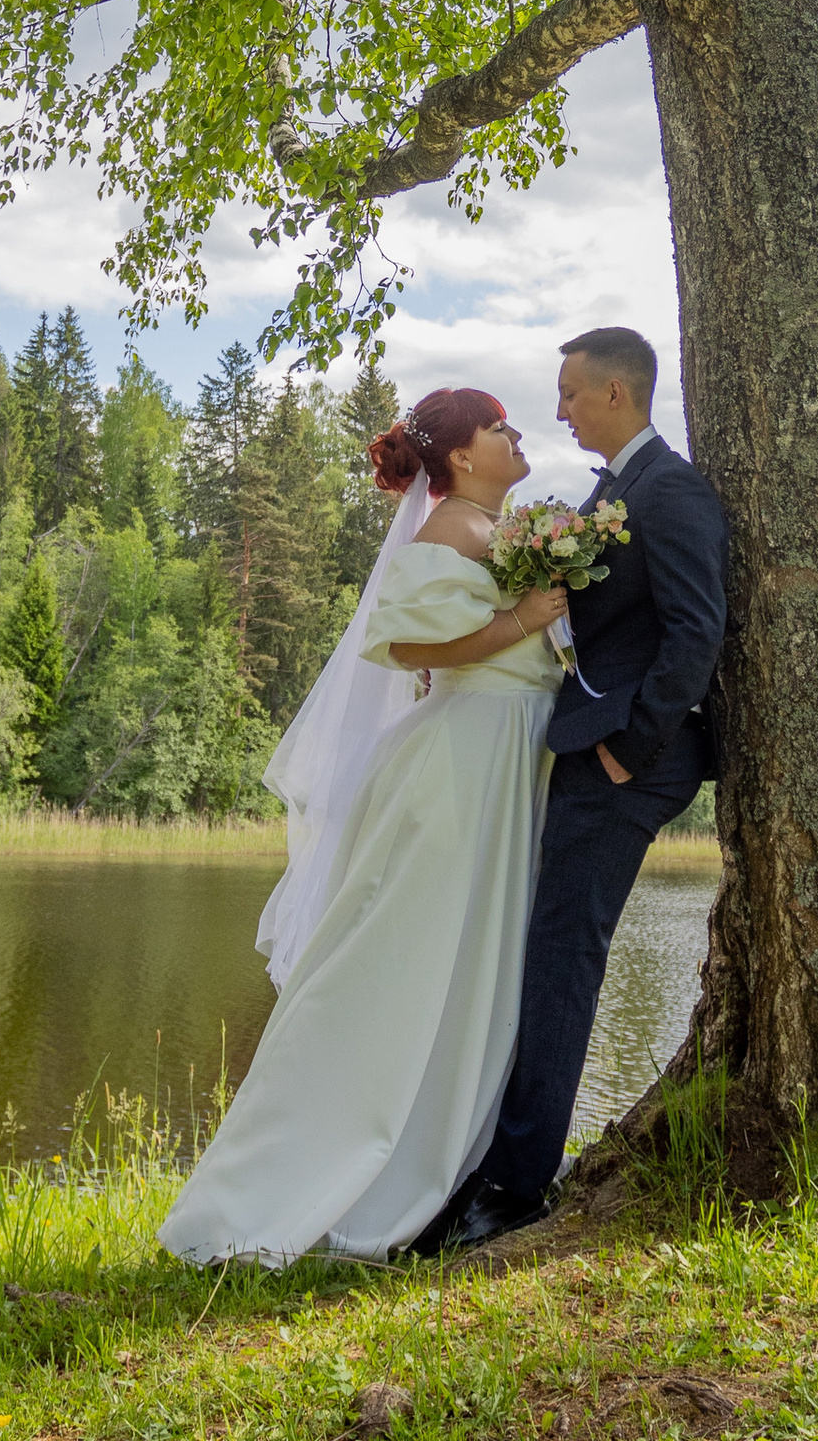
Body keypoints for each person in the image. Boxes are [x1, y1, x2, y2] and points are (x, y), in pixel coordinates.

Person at [157, 386, 567, 1264]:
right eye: (498, 425)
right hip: (460, 768)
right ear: (460, 456)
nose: (516, 432)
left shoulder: (497, 532)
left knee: (469, 972)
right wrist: (522, 620)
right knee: (401, 965)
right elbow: (409, 646)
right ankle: (301, 1177)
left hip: (504, 764)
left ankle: (451, 1157)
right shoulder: (448, 531)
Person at [419, 324, 728, 1253]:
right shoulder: (614, 491)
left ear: (616, 396)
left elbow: (695, 631)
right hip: (586, 748)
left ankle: (515, 1189)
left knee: (561, 956)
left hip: (628, 763)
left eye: (568, 392)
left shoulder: (669, 491)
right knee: (543, 949)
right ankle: (496, 1159)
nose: (557, 409)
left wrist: (634, 749)